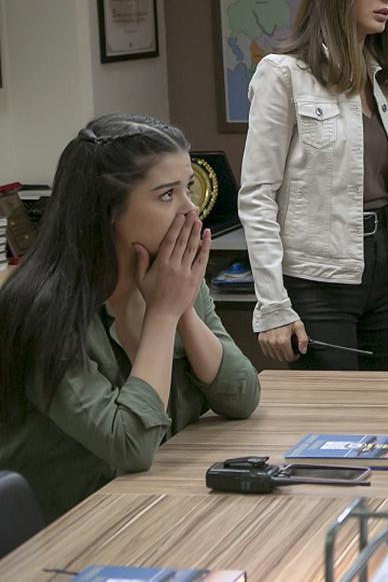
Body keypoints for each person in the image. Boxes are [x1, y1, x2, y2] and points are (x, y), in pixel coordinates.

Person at [0, 115, 261, 522]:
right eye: (166, 195)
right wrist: (163, 314)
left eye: (187, 188)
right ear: (108, 210)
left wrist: (182, 308)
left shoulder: (172, 275)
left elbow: (241, 396)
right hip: (69, 528)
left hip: (154, 505)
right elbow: (130, 445)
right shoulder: (42, 308)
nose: (191, 209)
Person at [239, 0, 388, 370]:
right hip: (317, 281)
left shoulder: (384, 80)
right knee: (334, 410)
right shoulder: (283, 75)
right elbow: (257, 197)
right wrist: (272, 305)